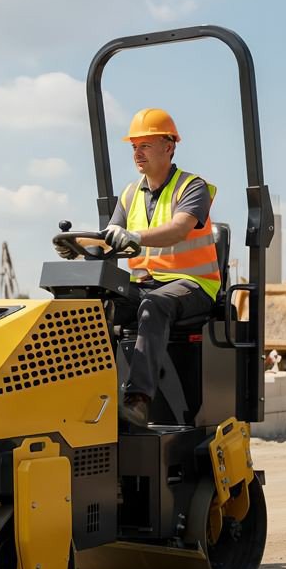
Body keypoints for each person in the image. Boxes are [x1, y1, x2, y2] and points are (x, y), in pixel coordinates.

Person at [55, 108, 220, 427]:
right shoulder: (130, 193)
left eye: (144, 144)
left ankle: (138, 400)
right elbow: (109, 240)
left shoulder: (192, 187)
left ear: (169, 146)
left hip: (194, 285)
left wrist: (135, 236)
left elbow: (179, 229)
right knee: (96, 305)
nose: (137, 152)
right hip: (147, 283)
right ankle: (87, 393)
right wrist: (75, 247)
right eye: (133, 146)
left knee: (153, 305)